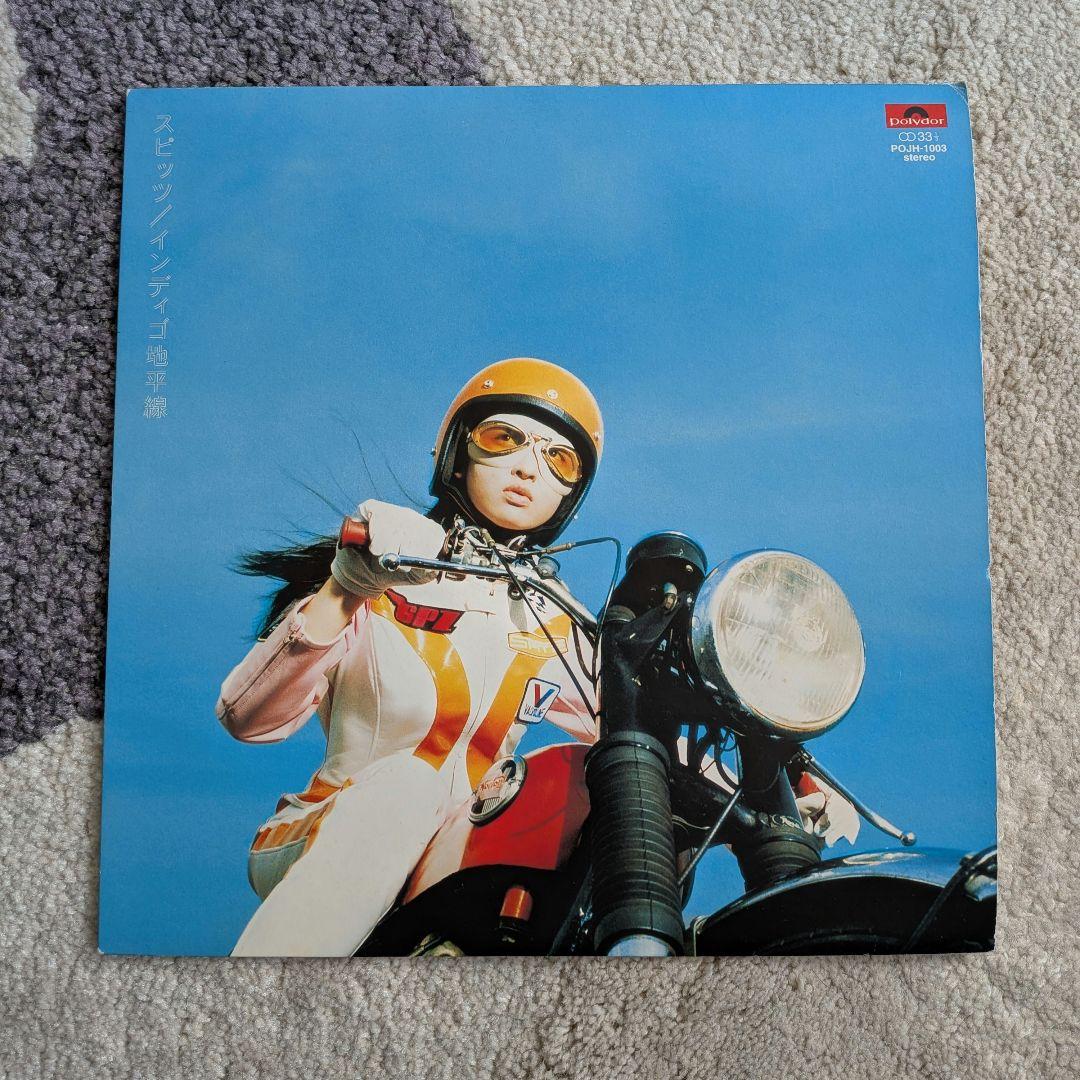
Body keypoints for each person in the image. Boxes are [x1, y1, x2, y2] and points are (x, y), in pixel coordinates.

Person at [216, 357, 605, 956]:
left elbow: (633, 726)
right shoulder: (383, 562)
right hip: (328, 823)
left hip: (462, 845)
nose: (530, 466)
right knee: (408, 784)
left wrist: (757, 766)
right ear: (457, 454)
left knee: (588, 784)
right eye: (504, 438)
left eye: (560, 459)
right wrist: (346, 587)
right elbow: (248, 717)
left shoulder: (555, 617)